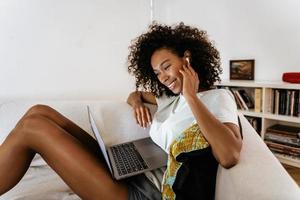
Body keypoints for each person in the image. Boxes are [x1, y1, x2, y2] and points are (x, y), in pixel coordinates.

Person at [0, 22, 242, 200]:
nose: (163, 78)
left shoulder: (217, 97)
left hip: (144, 194)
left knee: (35, 128)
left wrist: (191, 95)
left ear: (187, 60)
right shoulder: (171, 98)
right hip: (136, 173)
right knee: (40, 111)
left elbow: (229, 154)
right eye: (157, 72)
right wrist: (137, 102)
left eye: (166, 67)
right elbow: (134, 94)